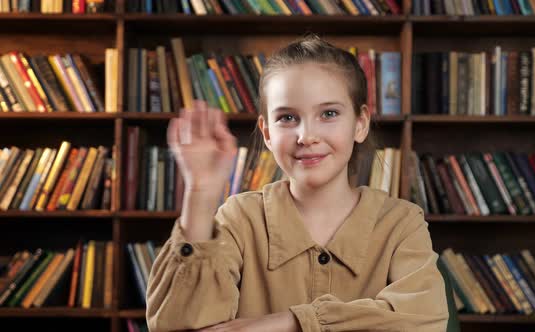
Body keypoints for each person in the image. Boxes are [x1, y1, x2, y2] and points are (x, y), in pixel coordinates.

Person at [146, 35, 449, 332]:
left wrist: (287, 323)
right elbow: (177, 324)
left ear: (360, 124)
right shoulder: (240, 218)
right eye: (288, 118)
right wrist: (200, 194)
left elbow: (423, 320)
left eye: (328, 114)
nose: (306, 136)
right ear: (266, 132)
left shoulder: (401, 223)